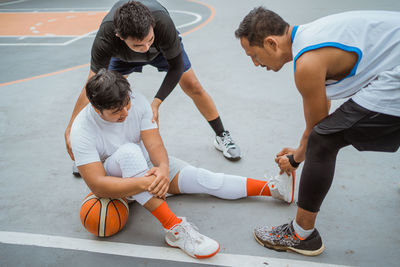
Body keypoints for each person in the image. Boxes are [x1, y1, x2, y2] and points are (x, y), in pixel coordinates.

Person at [70, 69, 295, 259]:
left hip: (147, 168)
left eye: (126, 104)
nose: (126, 112)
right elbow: (98, 184)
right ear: (96, 109)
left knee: (204, 179)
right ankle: (174, 228)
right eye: (116, 111)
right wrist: (145, 183)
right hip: (117, 182)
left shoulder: (136, 101)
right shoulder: (82, 129)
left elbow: (155, 145)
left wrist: (163, 171)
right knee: (129, 152)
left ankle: (273, 188)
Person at [235, 8, 400, 256]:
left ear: (271, 43)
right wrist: (299, 152)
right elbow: (323, 110)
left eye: (254, 55)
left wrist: (296, 158)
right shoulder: (311, 35)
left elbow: (318, 131)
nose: (256, 63)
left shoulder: (307, 64)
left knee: (323, 141)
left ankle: (301, 234)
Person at [65, 0, 241, 168]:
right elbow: (92, 86)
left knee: (193, 85)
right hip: (123, 58)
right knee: (107, 95)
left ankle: (221, 135)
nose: (146, 47)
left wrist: (156, 102)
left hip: (162, 53)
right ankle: (87, 154)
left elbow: (176, 67)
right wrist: (72, 128)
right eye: (139, 44)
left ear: (152, 25)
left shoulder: (162, 22)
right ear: (119, 36)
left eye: (149, 39)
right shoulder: (106, 37)